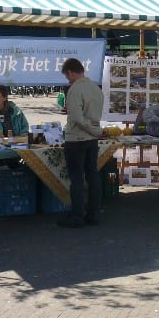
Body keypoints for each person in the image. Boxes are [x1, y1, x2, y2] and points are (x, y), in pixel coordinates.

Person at [58, 57, 105, 228]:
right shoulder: (95, 87)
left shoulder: (75, 89)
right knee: (93, 176)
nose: (67, 79)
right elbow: (93, 115)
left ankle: (77, 216)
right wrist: (96, 132)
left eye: (67, 76)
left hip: (77, 139)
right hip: (92, 140)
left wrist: (95, 131)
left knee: (77, 178)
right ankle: (94, 214)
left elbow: (78, 118)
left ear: (70, 72)